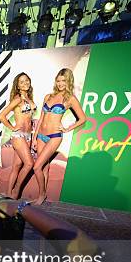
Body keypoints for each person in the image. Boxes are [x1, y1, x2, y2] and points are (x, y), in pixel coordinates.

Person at [32, 68, 86, 205]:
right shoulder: (48, 97)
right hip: (41, 136)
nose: (60, 83)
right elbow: (40, 118)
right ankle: (41, 194)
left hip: (54, 136)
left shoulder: (70, 99)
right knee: (44, 166)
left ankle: (42, 194)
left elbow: (82, 119)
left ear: (69, 81)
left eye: (64, 80)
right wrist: (34, 137)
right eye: (58, 80)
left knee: (36, 167)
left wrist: (67, 128)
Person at [0, 73, 37, 200]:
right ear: (18, 86)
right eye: (21, 82)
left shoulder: (30, 99)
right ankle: (16, 191)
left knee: (16, 166)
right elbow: (1, 116)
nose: (25, 83)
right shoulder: (18, 99)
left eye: (26, 80)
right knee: (29, 164)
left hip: (28, 136)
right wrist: (12, 127)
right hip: (18, 136)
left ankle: (8, 193)